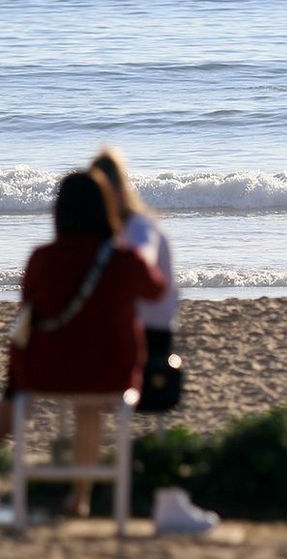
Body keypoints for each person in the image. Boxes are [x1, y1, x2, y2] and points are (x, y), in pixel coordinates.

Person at [1, 170, 166, 515]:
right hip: (107, 372)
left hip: (45, 371)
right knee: (88, 407)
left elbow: (29, 308)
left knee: (16, 390)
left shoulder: (42, 259)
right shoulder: (123, 261)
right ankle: (80, 497)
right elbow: (157, 289)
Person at [89, 149, 178, 401]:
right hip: (122, 325)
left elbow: (142, 263)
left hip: (151, 332)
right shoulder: (108, 229)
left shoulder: (140, 226)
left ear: (119, 192)